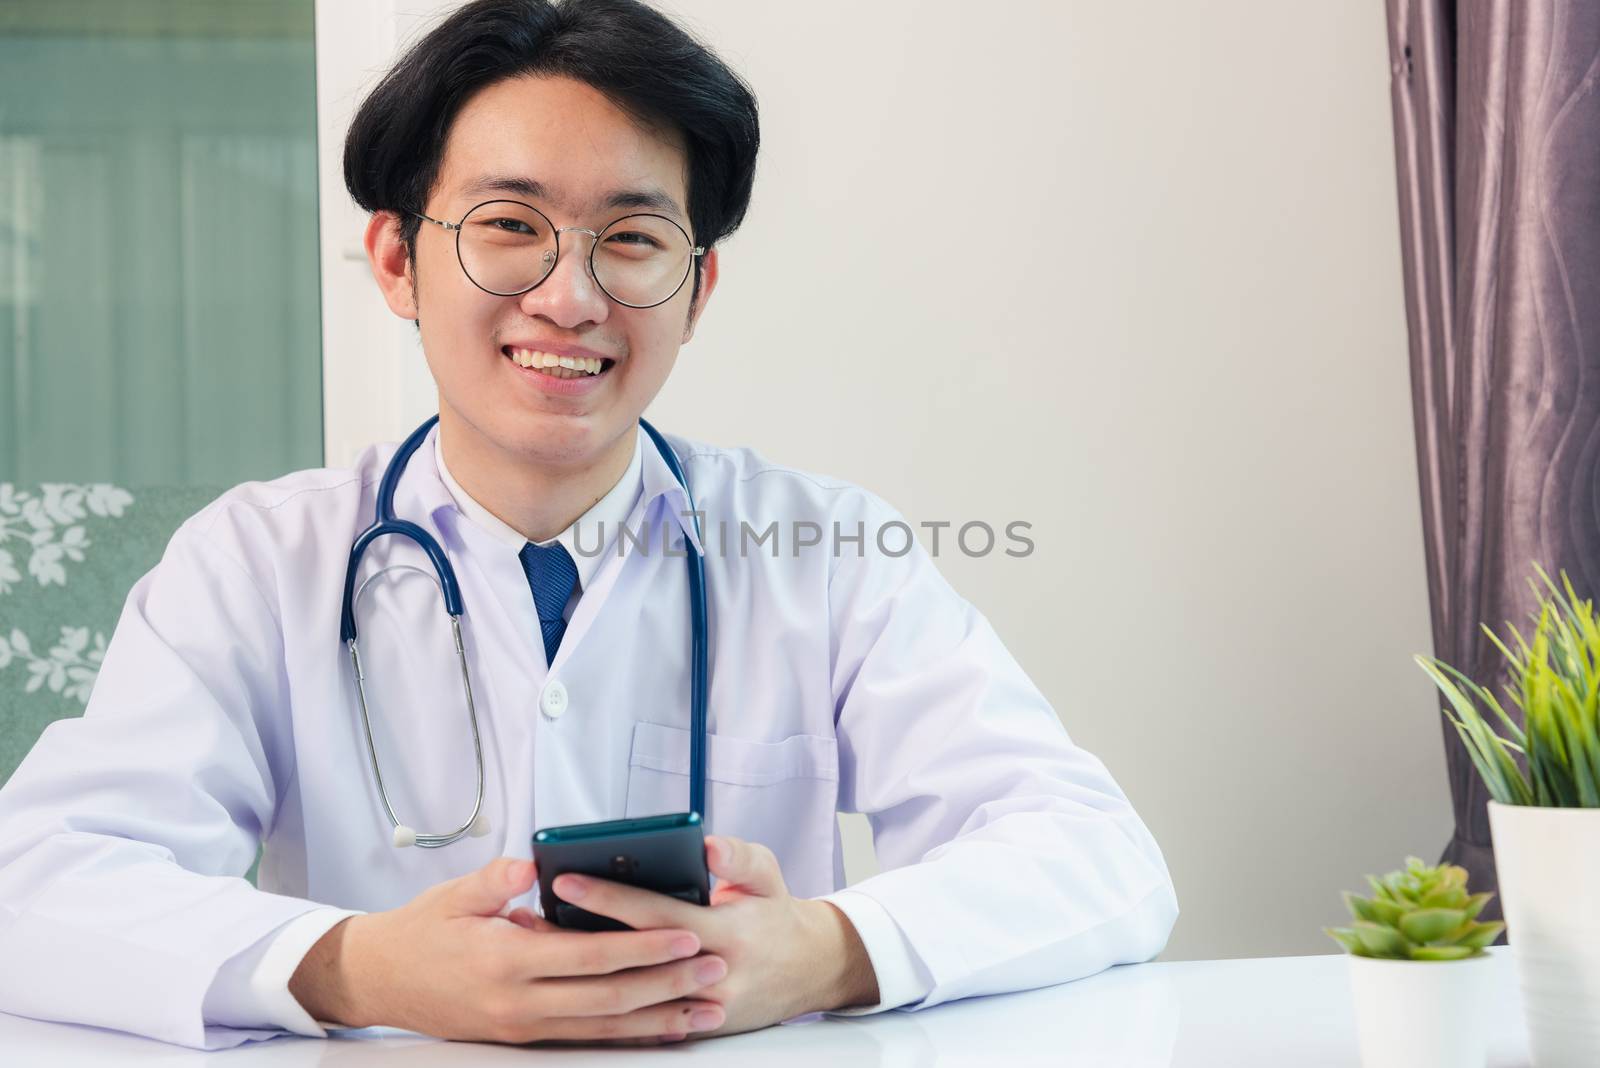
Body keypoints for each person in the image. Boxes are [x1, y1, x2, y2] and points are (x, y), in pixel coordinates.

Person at [0, 0, 1177, 1050]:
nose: (570, 296)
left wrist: (818, 951)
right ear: (398, 261)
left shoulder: (826, 550)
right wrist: (358, 970)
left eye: (631, 239)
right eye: (509, 225)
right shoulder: (256, 562)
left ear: (696, 289)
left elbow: (1096, 858)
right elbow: (39, 883)